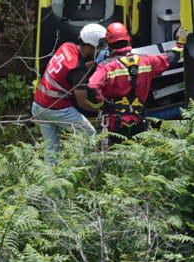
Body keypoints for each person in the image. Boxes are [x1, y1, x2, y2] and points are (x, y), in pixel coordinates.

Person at [86, 22, 186, 140]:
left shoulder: (106, 67)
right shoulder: (147, 61)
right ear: (128, 40)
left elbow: (92, 88)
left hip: (114, 124)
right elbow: (171, 57)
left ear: (108, 44)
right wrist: (180, 43)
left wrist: (104, 106)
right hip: (139, 121)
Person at [32, 22, 106, 162]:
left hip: (38, 105)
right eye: (99, 47)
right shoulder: (77, 70)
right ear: (90, 46)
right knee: (88, 133)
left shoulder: (67, 47)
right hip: (56, 109)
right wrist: (101, 111)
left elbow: (77, 67)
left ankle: (52, 179)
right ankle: (83, 169)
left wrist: (96, 64)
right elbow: (83, 103)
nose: (100, 50)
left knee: (51, 150)